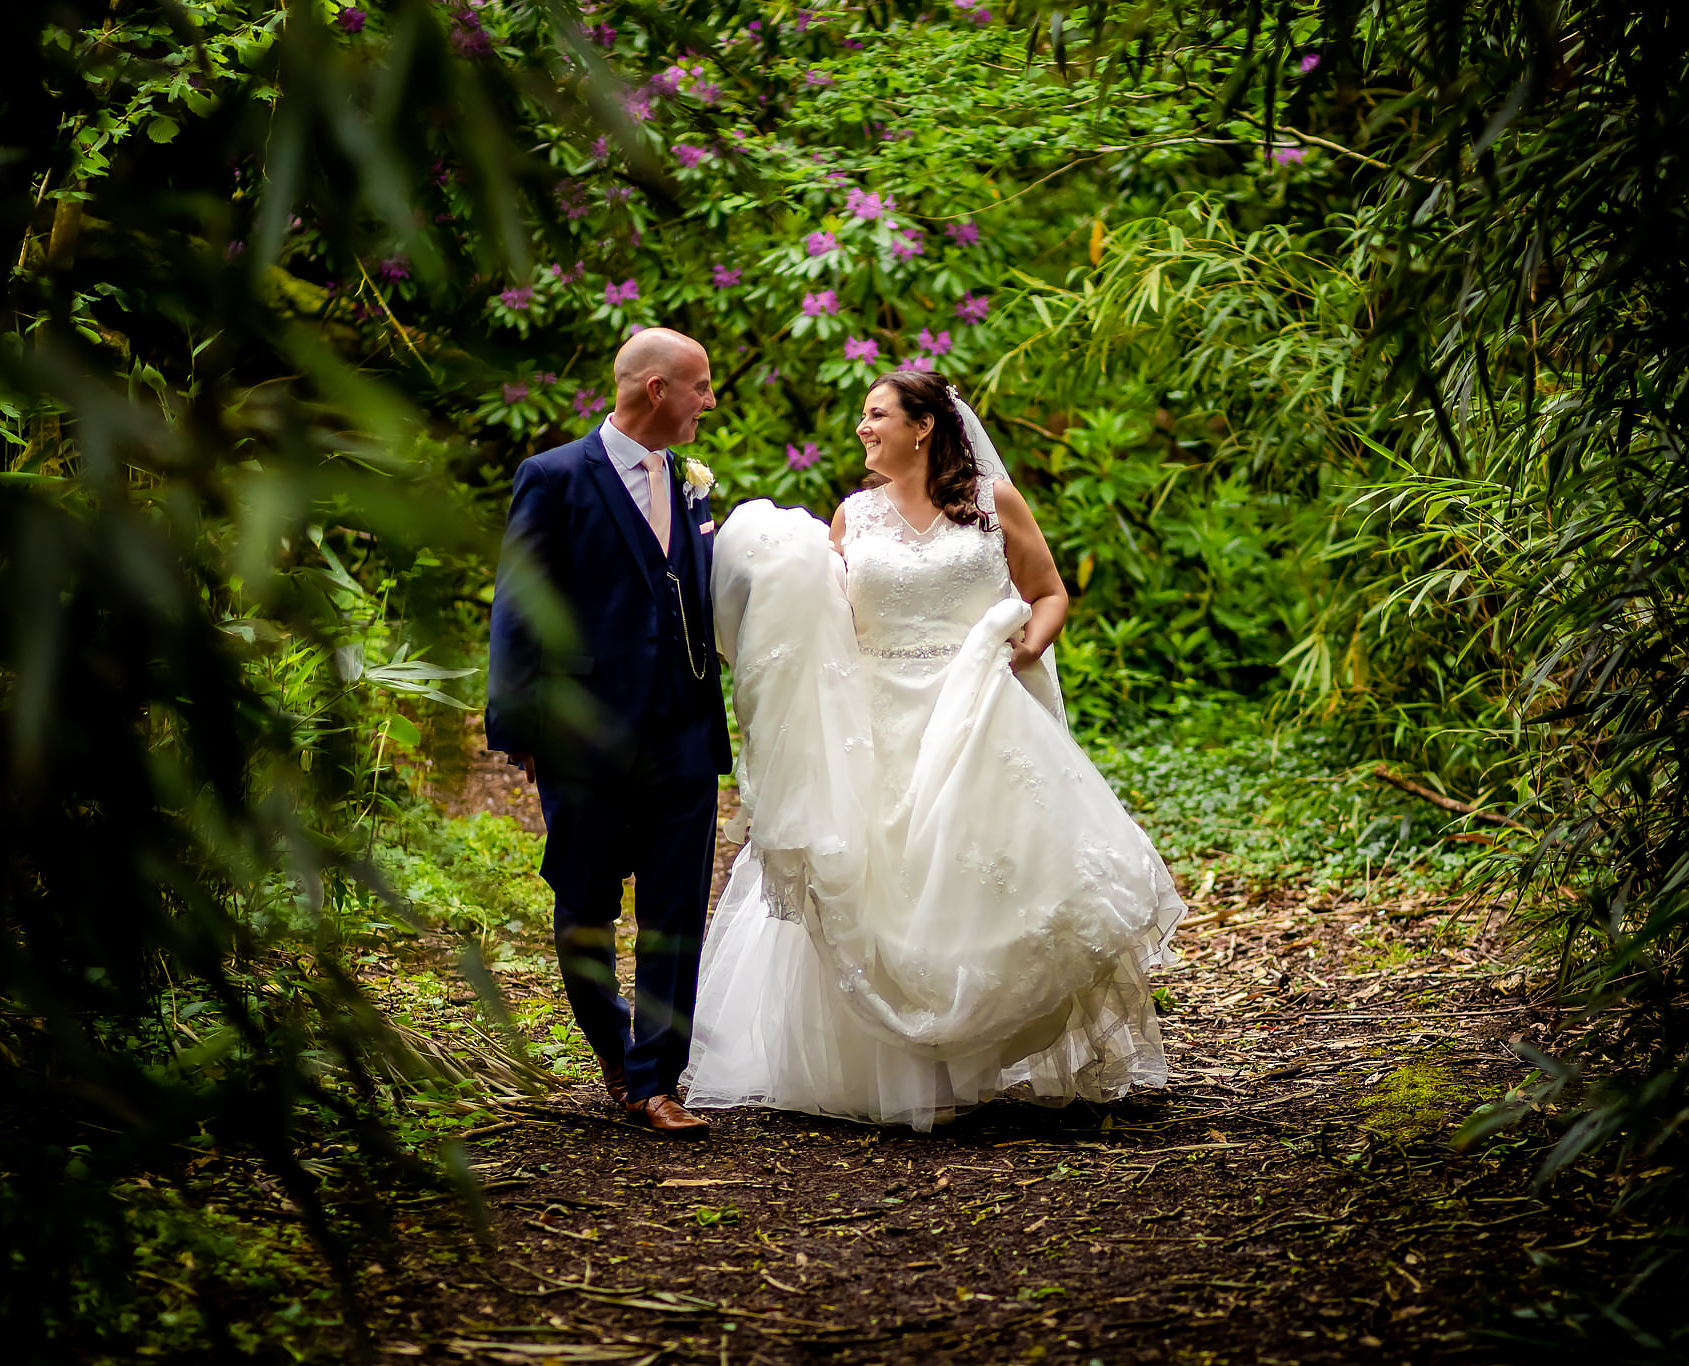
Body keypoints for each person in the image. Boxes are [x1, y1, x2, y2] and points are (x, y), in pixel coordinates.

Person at [682, 369, 1185, 1130]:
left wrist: (1022, 651)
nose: (862, 428)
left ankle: (981, 1058)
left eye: (876, 414)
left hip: (982, 709)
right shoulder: (852, 518)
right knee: (883, 888)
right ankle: (911, 1074)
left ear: (923, 426)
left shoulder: (993, 503)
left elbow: (1048, 591)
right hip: (879, 719)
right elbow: (825, 624)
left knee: (983, 883)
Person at [486, 328, 731, 1137]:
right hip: (582, 736)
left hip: (684, 735)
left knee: (677, 913)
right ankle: (614, 1045)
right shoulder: (553, 478)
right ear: (655, 390)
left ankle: (655, 1077)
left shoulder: (690, 484)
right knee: (585, 908)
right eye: (700, 387)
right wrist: (518, 724)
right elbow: (522, 606)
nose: (710, 401)